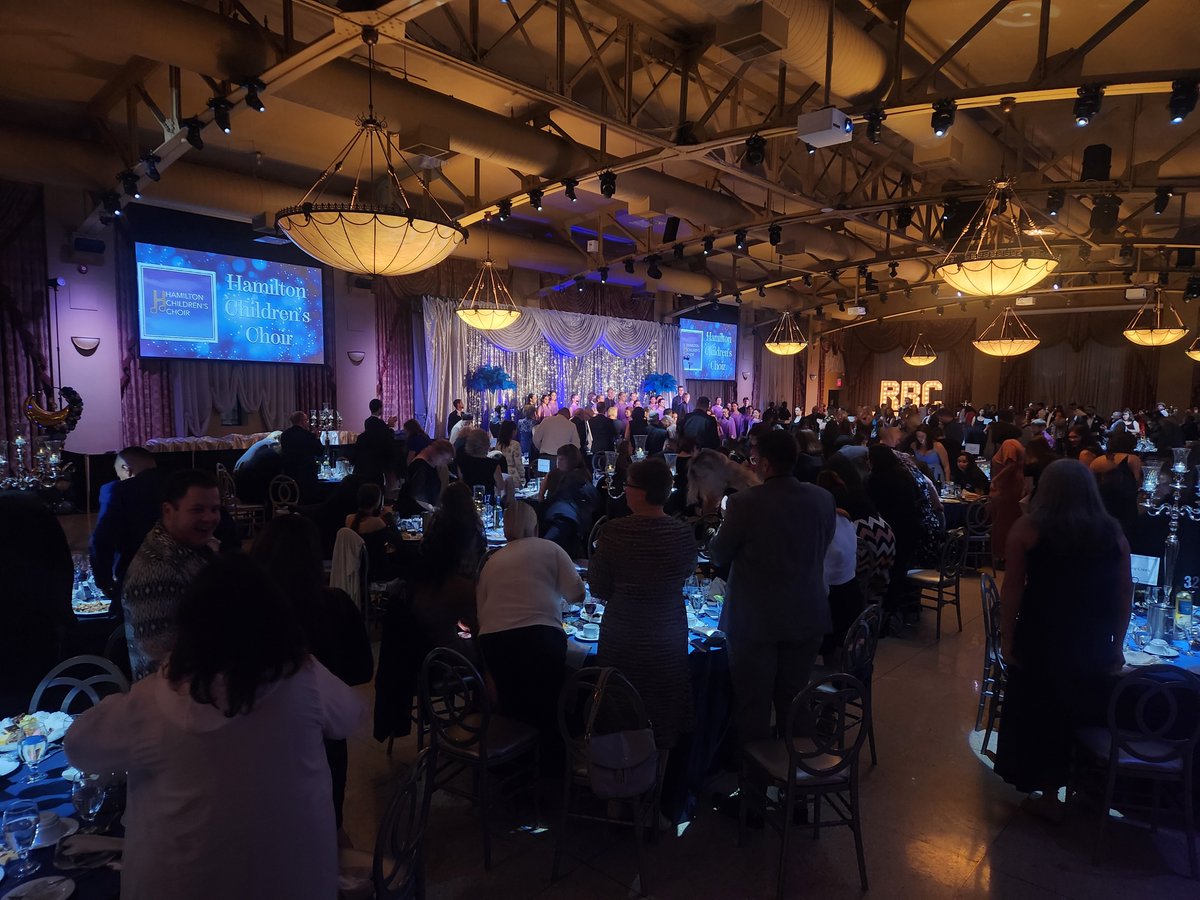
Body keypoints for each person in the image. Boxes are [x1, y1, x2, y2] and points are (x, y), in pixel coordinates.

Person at [65, 555, 365, 900]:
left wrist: (117, 701)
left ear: (189, 627)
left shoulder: (151, 702)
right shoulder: (304, 677)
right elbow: (351, 716)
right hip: (299, 883)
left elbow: (77, 747)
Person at [993, 460, 1132, 818]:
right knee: (1082, 709)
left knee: (1042, 711)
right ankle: (1081, 786)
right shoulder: (1113, 532)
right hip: (1091, 635)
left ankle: (1050, 794)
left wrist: (1007, 637)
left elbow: (1012, 590)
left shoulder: (1028, 528)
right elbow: (1123, 594)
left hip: (1044, 631)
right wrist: (1117, 643)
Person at [708, 431, 836, 766]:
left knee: (753, 707)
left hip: (755, 622)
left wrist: (711, 518)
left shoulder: (744, 503)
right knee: (796, 700)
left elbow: (719, 554)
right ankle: (799, 784)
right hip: (807, 614)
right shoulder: (824, 499)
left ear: (763, 462)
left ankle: (753, 797)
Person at [251, 516, 373, 832]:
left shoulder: (249, 614)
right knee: (328, 819)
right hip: (327, 736)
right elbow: (362, 671)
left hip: (260, 738)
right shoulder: (337, 605)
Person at [590, 458, 697, 750]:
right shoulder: (683, 533)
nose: (624, 491)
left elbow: (598, 588)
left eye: (628, 486)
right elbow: (687, 573)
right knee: (664, 712)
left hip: (624, 632)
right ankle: (661, 784)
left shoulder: (614, 532)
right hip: (669, 632)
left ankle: (618, 782)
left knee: (619, 710)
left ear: (640, 491)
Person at [476, 502, 584, 735]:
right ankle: (550, 758)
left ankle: (512, 756)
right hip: (541, 637)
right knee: (549, 703)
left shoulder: (491, 562)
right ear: (536, 527)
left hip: (494, 642)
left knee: (512, 705)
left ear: (506, 531)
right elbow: (578, 594)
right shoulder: (551, 548)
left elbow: (481, 613)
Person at [121, 469, 221, 681]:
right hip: (174, 702)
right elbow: (161, 662)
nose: (210, 517)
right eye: (197, 510)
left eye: (215, 509)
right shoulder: (157, 570)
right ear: (168, 510)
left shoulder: (194, 547)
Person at [0, 490, 73, 712]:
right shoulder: (33, 507)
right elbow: (63, 566)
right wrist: (63, 614)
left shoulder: (25, 507)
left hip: (18, 622)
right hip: (40, 621)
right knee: (41, 696)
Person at [90, 446, 161, 602]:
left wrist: (104, 582)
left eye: (119, 475)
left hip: (135, 578)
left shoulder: (117, 490)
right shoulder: (180, 484)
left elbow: (102, 540)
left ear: (126, 469)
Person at [538, 444, 597, 558]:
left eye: (562, 459)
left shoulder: (577, 478)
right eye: (558, 458)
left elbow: (542, 497)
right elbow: (541, 494)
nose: (558, 462)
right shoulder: (555, 473)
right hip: (562, 519)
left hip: (571, 525)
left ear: (572, 460)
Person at [345, 482, 399, 580]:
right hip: (376, 570)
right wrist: (389, 516)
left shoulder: (349, 519)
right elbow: (397, 540)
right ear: (377, 502)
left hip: (355, 568)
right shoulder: (377, 522)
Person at [989, 439, 1026, 570]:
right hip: (1012, 487)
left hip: (1006, 488)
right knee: (1009, 522)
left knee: (1002, 523)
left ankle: (1003, 556)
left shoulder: (1008, 444)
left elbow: (1011, 464)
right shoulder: (1016, 443)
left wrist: (995, 479)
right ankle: (1007, 555)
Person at [397, 438, 454, 516]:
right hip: (414, 514)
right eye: (444, 459)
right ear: (436, 452)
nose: (444, 463)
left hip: (420, 513)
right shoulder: (420, 466)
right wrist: (433, 509)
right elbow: (416, 495)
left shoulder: (429, 465)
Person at [280, 411, 325, 500]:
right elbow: (320, 452)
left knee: (293, 497)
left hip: (290, 472)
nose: (307, 423)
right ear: (302, 421)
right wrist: (317, 438)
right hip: (307, 473)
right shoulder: (308, 435)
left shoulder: (285, 435)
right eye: (306, 420)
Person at [457, 427, 507, 500]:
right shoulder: (493, 464)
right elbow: (501, 486)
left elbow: (461, 484)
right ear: (487, 444)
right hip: (487, 501)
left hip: (468, 501)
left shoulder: (462, 462)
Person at [493, 419, 525, 489]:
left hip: (501, 474)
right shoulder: (515, 444)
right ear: (513, 431)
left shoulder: (498, 444)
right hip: (513, 475)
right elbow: (518, 463)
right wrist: (522, 475)